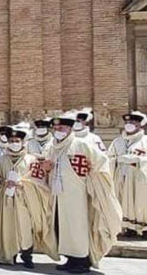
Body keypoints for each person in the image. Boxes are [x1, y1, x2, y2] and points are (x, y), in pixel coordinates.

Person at [44, 114, 122, 273]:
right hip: (59, 194)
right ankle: (70, 258)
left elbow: (101, 163)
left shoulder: (81, 145)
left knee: (78, 227)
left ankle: (82, 260)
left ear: (70, 129)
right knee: (63, 227)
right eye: (56, 128)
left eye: (62, 128)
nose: (58, 130)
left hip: (78, 195)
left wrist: (93, 180)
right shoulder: (53, 147)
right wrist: (47, 168)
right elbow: (50, 166)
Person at [0, 126, 57, 267]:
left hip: (25, 199)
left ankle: (27, 255)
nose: (15, 143)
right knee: (8, 228)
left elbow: (39, 181)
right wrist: (2, 182)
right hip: (6, 200)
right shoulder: (2, 160)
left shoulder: (31, 159)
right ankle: (10, 255)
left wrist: (23, 184)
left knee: (25, 228)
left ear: (22, 142)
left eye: (17, 140)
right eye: (12, 140)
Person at [108, 111, 147, 238]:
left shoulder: (145, 141)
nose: (129, 124)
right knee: (122, 201)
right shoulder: (117, 142)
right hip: (120, 176)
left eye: (133, 122)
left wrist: (137, 160)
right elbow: (109, 157)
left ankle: (144, 227)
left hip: (139, 178)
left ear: (140, 125)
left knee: (140, 201)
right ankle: (128, 227)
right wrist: (117, 160)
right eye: (127, 122)